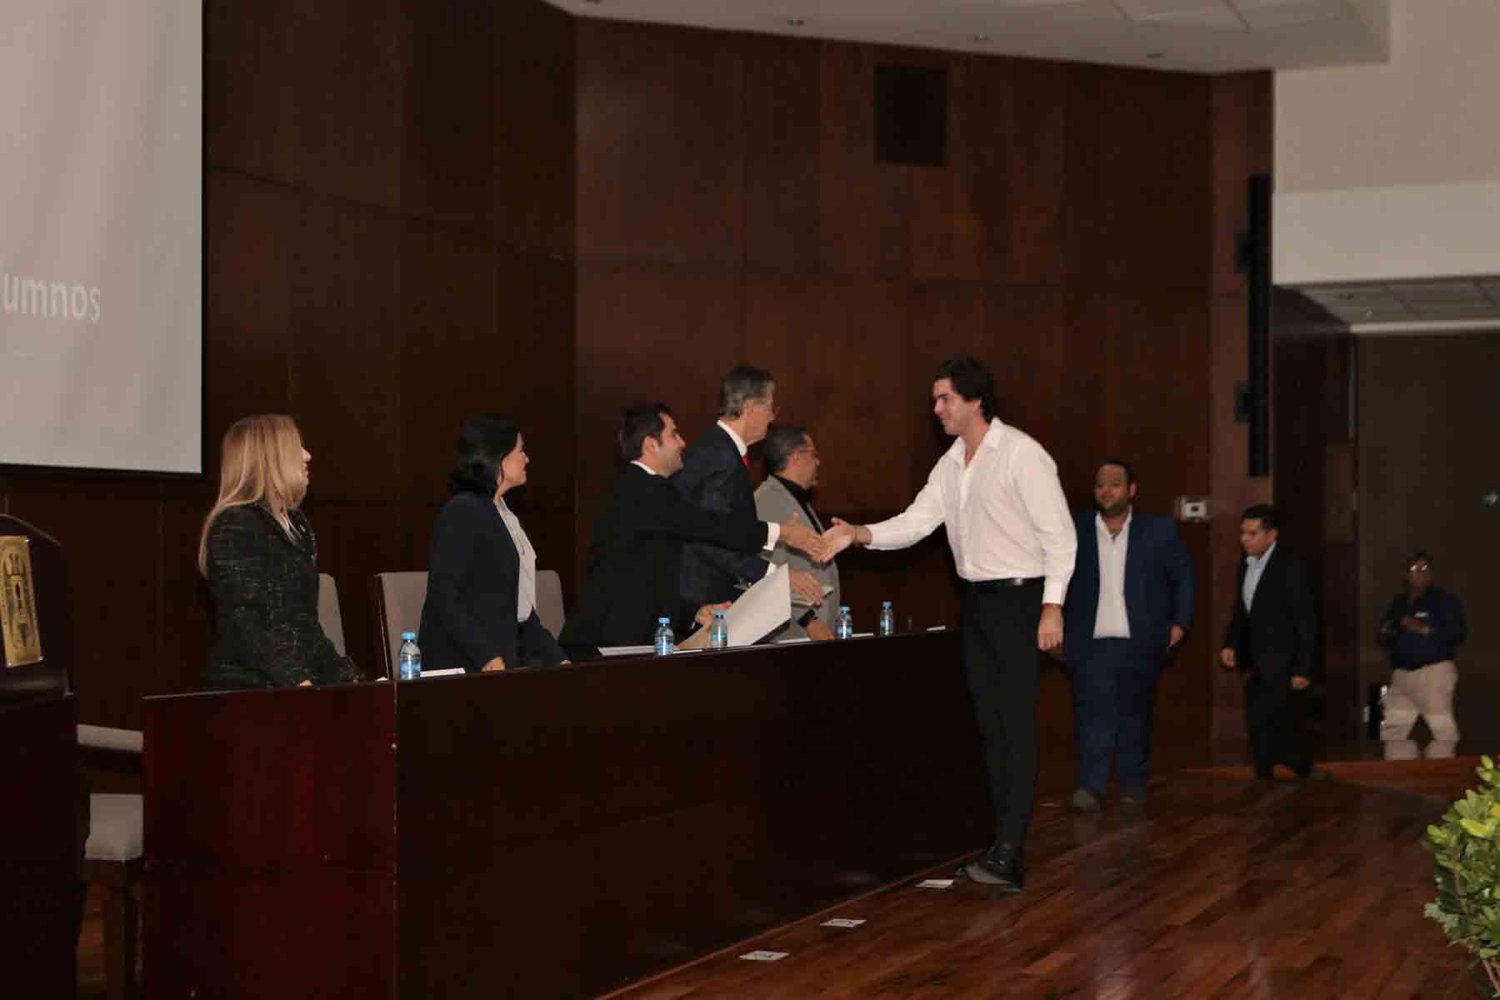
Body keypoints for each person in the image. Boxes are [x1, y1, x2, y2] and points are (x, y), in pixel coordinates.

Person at [824, 354, 1076, 893]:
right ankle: (1002, 844)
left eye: (945, 399)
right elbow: (916, 522)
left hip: (1020, 601)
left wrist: (1052, 606)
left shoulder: (1022, 454)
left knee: (1015, 725)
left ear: (975, 400)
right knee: (990, 726)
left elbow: (1060, 537)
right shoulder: (952, 464)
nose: (936, 409)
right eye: (935, 400)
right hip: (977, 605)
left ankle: (1010, 849)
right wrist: (859, 534)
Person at [560, 404, 832, 655]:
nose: (683, 443)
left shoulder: (652, 491)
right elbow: (710, 526)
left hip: (626, 639)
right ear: (651, 444)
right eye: (674, 434)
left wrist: (694, 612)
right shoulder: (643, 490)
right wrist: (781, 533)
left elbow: (651, 578)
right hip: (604, 643)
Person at [1062, 459, 1193, 810]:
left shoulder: (1159, 530)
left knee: (1136, 717)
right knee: (1092, 717)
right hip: (1089, 643)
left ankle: (1133, 784)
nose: (1107, 490)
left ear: (1132, 489)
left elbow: (1182, 576)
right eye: (1100, 484)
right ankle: (1091, 787)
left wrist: (1180, 622)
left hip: (1141, 640)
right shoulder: (1074, 529)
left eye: (1115, 483)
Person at [198, 414, 359, 690]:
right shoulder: (234, 525)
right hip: (249, 690)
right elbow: (248, 626)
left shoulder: (296, 523)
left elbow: (306, 626)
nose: (307, 455)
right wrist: (300, 683)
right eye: (296, 447)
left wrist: (350, 680)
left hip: (293, 685)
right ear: (268, 459)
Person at [418, 415, 566, 673]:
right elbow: (445, 596)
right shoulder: (462, 511)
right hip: (461, 667)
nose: (527, 458)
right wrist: (486, 656)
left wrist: (558, 659)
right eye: (521, 450)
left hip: (499, 661)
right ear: (498, 457)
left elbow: (521, 609)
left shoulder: (505, 515)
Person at [676, 364, 826, 610]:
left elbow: (728, 530)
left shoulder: (720, 450)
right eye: (769, 407)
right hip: (701, 602)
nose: (772, 417)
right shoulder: (721, 458)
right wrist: (776, 573)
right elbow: (711, 539)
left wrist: (782, 534)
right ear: (750, 407)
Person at [1218, 505, 1326, 779]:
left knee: (1273, 720)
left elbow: (1306, 619)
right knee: (1257, 720)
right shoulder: (1245, 564)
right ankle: (1270, 773)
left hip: (1284, 660)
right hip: (1255, 659)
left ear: (1271, 535)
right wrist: (1231, 643)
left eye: (1252, 533)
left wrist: (1303, 668)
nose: (1245, 539)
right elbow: (1242, 610)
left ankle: (1295, 767)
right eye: (1243, 533)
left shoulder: (1291, 565)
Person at [1377, 551, 1466, 759]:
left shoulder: (1443, 600)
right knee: (1392, 730)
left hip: (1433, 672)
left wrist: (1424, 628)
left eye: (1425, 568)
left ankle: (1440, 770)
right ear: (1405, 574)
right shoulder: (1399, 603)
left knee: (1442, 730)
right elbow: (1383, 634)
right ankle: (1400, 769)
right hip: (1401, 674)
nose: (1420, 573)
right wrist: (1392, 630)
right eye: (1414, 568)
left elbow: (1458, 632)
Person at [755, 425, 840, 641]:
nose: (818, 462)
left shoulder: (793, 499)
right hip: (794, 633)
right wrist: (809, 620)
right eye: (814, 455)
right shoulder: (767, 500)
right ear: (796, 457)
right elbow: (768, 572)